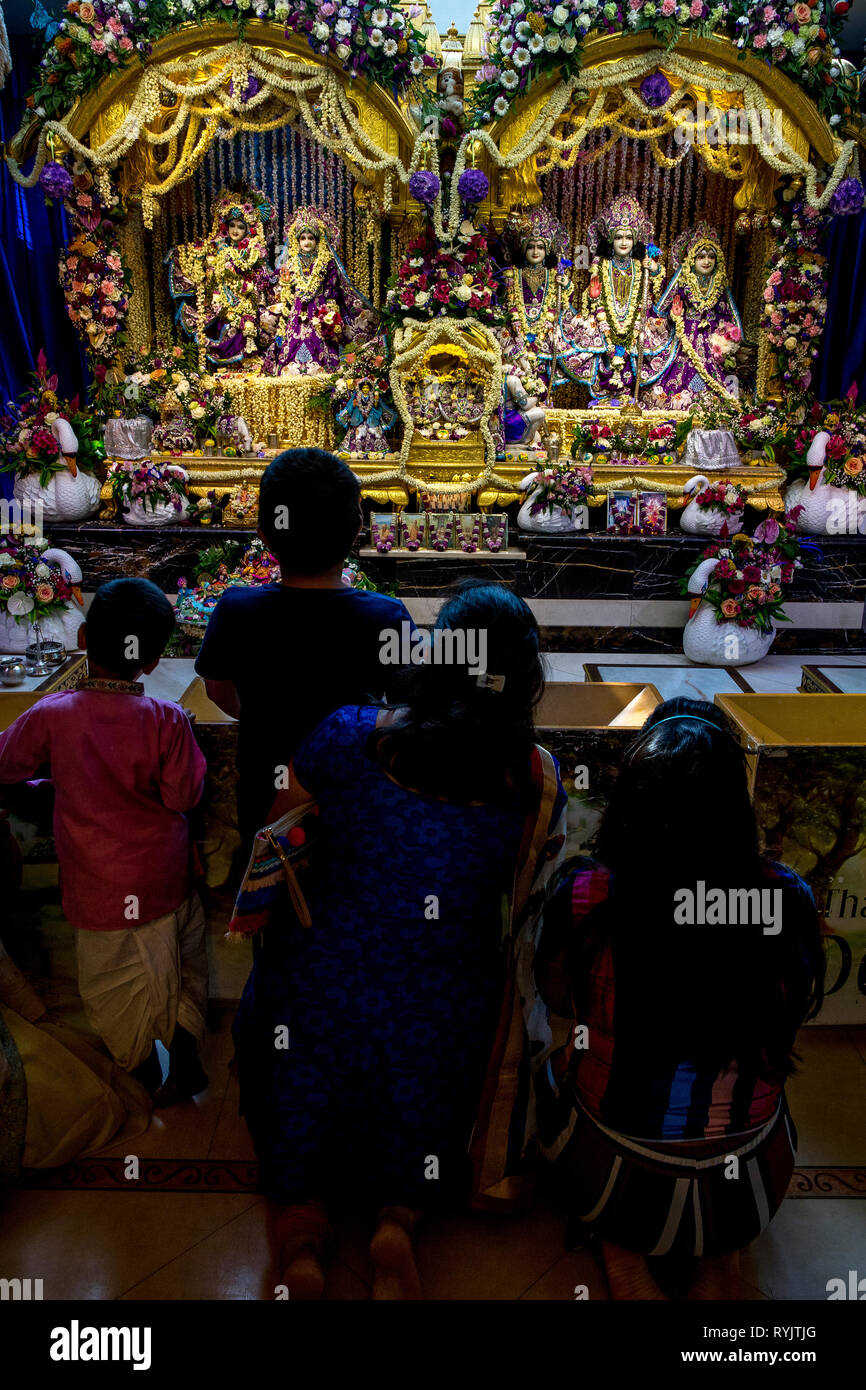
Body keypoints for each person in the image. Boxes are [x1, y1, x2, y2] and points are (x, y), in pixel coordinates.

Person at [231, 583, 566, 1299]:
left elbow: (277, 838)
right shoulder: (534, 778)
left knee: (290, 1032)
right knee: (434, 1060)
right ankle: (398, 1222)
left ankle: (301, 1235)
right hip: (442, 999)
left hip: (320, 986)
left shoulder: (348, 732)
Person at [531, 697, 825, 1300]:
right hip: (754, 1186)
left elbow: (557, 1001)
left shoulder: (589, 893)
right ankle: (720, 1263)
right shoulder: (786, 896)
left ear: (634, 798)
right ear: (732, 803)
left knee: (550, 1071)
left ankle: (625, 1261)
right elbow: (791, 1013)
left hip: (610, 1179)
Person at [0, 578, 208, 1107]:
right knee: (181, 969)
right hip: (165, 881)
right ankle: (184, 1061)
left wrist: (47, 788)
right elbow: (184, 796)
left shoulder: (52, 714)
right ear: (154, 659)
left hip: (98, 890)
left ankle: (144, 1074)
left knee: (112, 987)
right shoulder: (167, 719)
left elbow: (4, 765)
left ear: (85, 637)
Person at [195, 447, 416, 850]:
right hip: (356, 788)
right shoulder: (386, 616)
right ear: (357, 531)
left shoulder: (237, 610)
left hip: (266, 786)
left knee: (266, 886)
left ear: (264, 535)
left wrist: (267, 715)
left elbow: (218, 689)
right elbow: (405, 707)